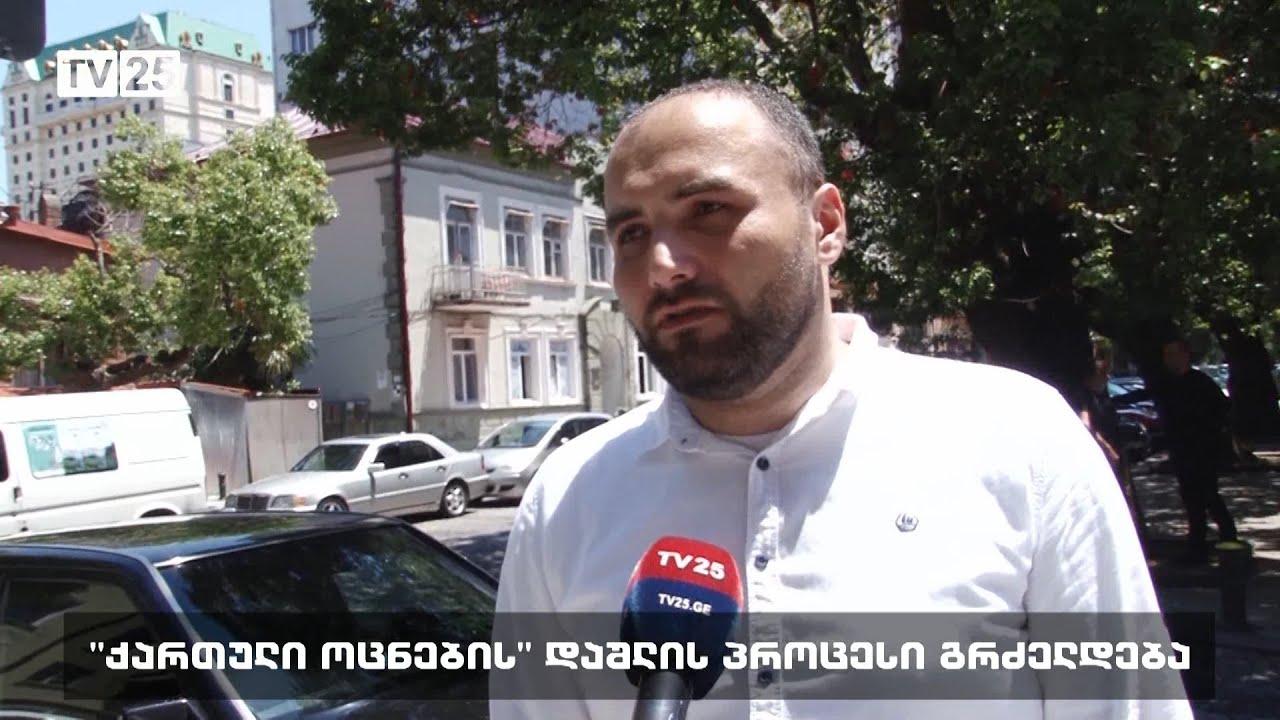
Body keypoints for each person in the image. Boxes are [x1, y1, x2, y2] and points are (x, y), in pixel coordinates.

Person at [493, 80, 1189, 719]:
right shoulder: (567, 500)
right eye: (631, 234)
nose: (663, 267)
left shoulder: (1020, 442)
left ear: (824, 225)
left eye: (707, 210)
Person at [1157, 338, 1238, 562]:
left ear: (1185, 355)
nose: (1169, 359)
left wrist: (1209, 433)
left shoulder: (1201, 382)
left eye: (1173, 354)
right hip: (1182, 451)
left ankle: (1229, 539)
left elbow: (1223, 410)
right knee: (1192, 499)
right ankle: (1197, 546)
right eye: (1166, 355)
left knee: (1209, 495)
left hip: (1202, 450)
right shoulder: (1169, 385)